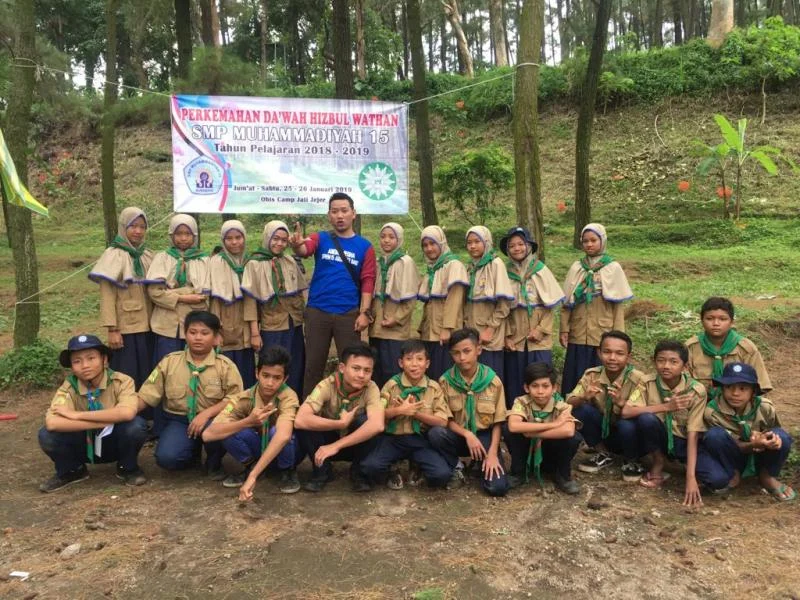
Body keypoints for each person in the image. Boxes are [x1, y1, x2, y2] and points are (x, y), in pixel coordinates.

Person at [289, 193, 377, 397]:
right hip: (318, 312)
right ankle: (309, 416)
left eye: (344, 211)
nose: (340, 215)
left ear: (353, 214)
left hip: (349, 314)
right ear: (329, 215)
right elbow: (305, 249)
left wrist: (364, 312)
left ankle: (349, 410)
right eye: (335, 211)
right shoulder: (321, 237)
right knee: (313, 366)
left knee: (352, 367)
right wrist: (296, 245)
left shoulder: (365, 247)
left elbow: (368, 281)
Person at [138, 311, 243, 477]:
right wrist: (124, 411)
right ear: (185, 335)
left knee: (220, 429)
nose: (198, 338)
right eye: (192, 332)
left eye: (205, 333)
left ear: (216, 338)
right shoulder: (169, 362)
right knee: (167, 458)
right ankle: (190, 454)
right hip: (180, 421)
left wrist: (206, 414)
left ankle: (214, 462)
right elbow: (147, 394)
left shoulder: (226, 366)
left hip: (213, 419)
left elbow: (235, 399)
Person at [38, 335, 148, 492]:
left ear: (104, 360)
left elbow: (127, 413)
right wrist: (107, 419)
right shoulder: (68, 387)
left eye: (91, 358)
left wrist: (76, 415)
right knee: (46, 435)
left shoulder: (122, 381)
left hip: (112, 442)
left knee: (136, 426)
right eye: (77, 361)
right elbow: (52, 423)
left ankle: (127, 468)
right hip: (82, 443)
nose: (85, 366)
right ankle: (72, 470)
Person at [203, 346, 301, 496]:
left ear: (285, 379)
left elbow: (283, 436)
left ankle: (286, 471)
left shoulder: (289, 397)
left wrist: (253, 477)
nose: (270, 382)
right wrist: (248, 421)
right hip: (257, 448)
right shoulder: (243, 398)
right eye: (265, 375)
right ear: (257, 373)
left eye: (277, 378)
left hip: (284, 451)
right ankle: (250, 465)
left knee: (277, 432)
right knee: (228, 428)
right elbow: (208, 434)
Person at [618, 341, 706, 506]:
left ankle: (684, 465)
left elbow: (693, 433)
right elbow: (626, 412)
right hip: (658, 438)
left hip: (682, 441)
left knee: (715, 479)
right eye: (661, 360)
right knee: (644, 419)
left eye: (673, 362)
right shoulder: (647, 381)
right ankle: (658, 462)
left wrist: (690, 477)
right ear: (654, 361)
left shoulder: (696, 390)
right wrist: (666, 407)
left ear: (685, 366)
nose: (666, 366)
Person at [428, 328, 510, 497]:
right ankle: (457, 465)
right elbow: (446, 419)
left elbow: (498, 421)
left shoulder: (493, 381)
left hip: (484, 436)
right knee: (436, 433)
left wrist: (493, 453)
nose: (462, 357)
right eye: (456, 353)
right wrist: (467, 434)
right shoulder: (445, 381)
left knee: (497, 488)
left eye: (467, 351)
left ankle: (481, 461)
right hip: (458, 436)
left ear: (478, 350)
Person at [360, 340, 452, 489]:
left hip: (420, 440)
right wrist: (398, 411)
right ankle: (392, 469)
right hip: (394, 439)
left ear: (427, 364)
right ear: (401, 363)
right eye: (409, 359)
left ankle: (418, 467)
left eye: (419, 359)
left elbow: (442, 422)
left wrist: (416, 414)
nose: (414, 364)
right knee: (370, 467)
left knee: (441, 475)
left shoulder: (434, 388)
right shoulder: (391, 385)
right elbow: (376, 414)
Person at [695, 363, 794, 501]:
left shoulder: (765, 407)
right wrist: (753, 444)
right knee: (714, 435)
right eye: (729, 387)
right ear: (722, 389)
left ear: (753, 391)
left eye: (743, 388)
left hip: (761, 453)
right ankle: (733, 471)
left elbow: (772, 429)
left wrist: (768, 440)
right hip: (734, 454)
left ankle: (766, 475)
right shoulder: (712, 412)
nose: (735, 393)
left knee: (781, 436)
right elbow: (729, 444)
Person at [294, 342, 384, 492]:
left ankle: (358, 472)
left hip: (352, 444)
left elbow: (377, 424)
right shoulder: (326, 385)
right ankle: (322, 471)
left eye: (367, 370)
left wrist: (336, 446)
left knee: (366, 422)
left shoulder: (371, 388)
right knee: (307, 425)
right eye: (356, 368)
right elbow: (300, 419)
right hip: (325, 444)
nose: (361, 375)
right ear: (342, 368)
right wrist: (339, 424)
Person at [560, 223, 633, 397]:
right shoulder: (577, 267)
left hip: (603, 332)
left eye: (594, 240)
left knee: (600, 374)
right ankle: (572, 409)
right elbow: (567, 302)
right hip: (578, 332)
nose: (589, 244)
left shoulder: (612, 267)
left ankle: (600, 409)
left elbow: (617, 305)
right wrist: (564, 328)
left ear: (603, 241)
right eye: (585, 241)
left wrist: (618, 335)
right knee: (575, 373)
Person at [566, 330, 647, 481]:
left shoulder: (639, 379)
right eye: (607, 352)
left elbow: (642, 413)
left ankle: (632, 460)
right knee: (580, 409)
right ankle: (603, 453)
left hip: (631, 434)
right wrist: (584, 397)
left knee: (627, 424)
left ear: (628, 356)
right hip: (605, 431)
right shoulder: (592, 374)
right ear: (599, 352)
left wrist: (621, 403)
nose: (612, 358)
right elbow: (569, 402)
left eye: (619, 353)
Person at [88, 207, 154, 389]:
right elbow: (107, 295)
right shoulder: (113, 255)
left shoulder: (147, 255)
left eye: (142, 227)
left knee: (147, 369)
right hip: (125, 327)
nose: (138, 231)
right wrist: (112, 329)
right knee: (127, 371)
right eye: (133, 226)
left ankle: (146, 412)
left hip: (148, 325)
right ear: (123, 227)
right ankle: (125, 410)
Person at [241, 220, 307, 398]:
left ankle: (292, 405)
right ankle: (270, 407)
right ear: (267, 237)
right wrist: (255, 333)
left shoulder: (289, 261)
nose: (279, 243)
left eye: (284, 240)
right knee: (272, 367)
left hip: (294, 324)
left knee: (295, 365)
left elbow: (299, 293)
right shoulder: (254, 264)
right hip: (272, 326)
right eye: (275, 238)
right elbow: (250, 301)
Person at [499, 226, 564, 406]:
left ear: (529, 246)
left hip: (539, 340)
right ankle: (516, 418)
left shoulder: (541, 270)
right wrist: (506, 336)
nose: (516, 248)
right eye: (512, 246)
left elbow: (549, 307)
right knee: (515, 378)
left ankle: (545, 416)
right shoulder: (504, 273)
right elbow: (503, 310)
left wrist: (541, 330)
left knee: (541, 378)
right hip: (515, 339)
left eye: (521, 244)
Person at [506, 362, 582, 494]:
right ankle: (519, 472)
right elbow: (513, 426)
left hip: (550, 454)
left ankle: (562, 475)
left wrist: (532, 432)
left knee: (573, 438)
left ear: (554, 388)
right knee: (507, 431)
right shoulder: (521, 402)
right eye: (534, 386)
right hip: (528, 452)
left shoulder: (562, 405)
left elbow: (569, 431)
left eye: (545, 386)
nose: (540, 391)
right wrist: (554, 424)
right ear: (526, 387)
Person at [146, 214, 209, 365]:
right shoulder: (162, 258)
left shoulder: (204, 260)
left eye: (187, 234)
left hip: (195, 326)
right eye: (179, 234)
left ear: (194, 235)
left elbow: (204, 295)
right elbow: (155, 292)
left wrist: (170, 291)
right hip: (166, 325)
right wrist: (184, 296)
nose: (183, 238)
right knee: (167, 365)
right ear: (171, 235)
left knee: (192, 365)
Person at [685, 297, 772, 400]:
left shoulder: (746, 348)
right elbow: (683, 383)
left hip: (737, 403)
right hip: (701, 402)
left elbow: (760, 386)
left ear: (731, 322)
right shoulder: (691, 347)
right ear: (702, 321)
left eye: (723, 319)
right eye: (709, 318)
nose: (716, 323)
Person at [369, 222, 420, 388]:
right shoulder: (378, 262)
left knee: (393, 371)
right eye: (383, 237)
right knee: (376, 370)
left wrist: (396, 319)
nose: (386, 240)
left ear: (399, 239)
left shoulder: (406, 262)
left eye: (391, 237)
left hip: (395, 330)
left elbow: (410, 298)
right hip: (377, 328)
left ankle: (395, 406)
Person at [416, 225, 469, 380]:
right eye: (425, 245)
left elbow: (454, 299)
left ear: (441, 243)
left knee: (445, 373)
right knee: (431, 373)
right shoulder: (433, 268)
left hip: (445, 332)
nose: (429, 249)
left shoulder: (454, 265)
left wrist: (447, 328)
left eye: (432, 244)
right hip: (430, 331)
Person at [208, 220, 255, 388]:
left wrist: (254, 332)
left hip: (245, 328)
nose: (234, 242)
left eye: (238, 237)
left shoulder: (250, 261)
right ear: (223, 240)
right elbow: (214, 300)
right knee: (224, 371)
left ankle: (246, 409)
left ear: (244, 238)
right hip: (224, 326)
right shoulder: (215, 263)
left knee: (245, 372)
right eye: (229, 238)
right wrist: (215, 331)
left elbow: (252, 299)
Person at [463, 226, 514, 379]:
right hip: (472, 331)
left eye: (477, 241)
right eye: (469, 242)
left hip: (490, 334)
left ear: (486, 242)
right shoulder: (471, 267)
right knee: (473, 376)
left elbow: (504, 302)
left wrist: (490, 329)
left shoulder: (495, 264)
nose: (472, 246)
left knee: (490, 378)